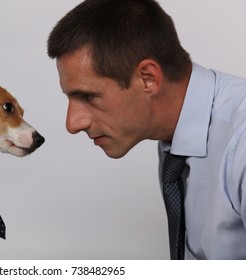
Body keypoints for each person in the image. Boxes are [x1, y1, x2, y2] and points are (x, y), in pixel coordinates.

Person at [47, 0, 246, 260]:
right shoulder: (174, 137)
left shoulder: (240, 141)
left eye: (88, 96)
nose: (72, 123)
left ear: (148, 79)